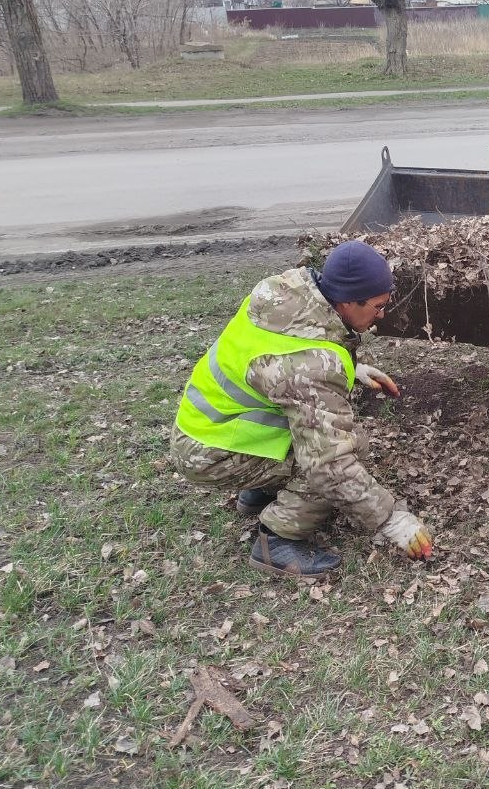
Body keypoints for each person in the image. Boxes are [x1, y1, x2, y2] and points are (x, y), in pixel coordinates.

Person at [169, 241, 434, 578]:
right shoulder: (310, 370)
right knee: (345, 452)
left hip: (208, 428)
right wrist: (392, 520)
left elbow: (279, 367)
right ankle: (277, 540)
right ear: (348, 302)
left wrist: (352, 371)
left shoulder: (283, 293)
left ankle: (259, 492)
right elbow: (329, 467)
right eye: (378, 306)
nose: (382, 314)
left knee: (322, 438)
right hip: (212, 453)